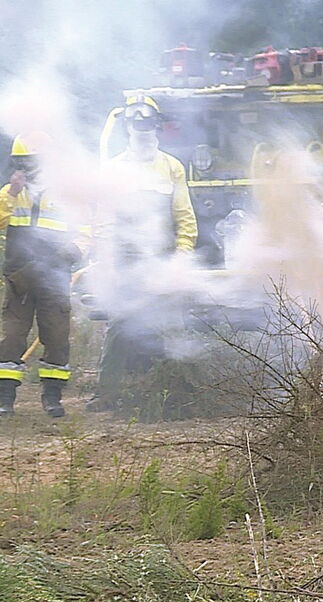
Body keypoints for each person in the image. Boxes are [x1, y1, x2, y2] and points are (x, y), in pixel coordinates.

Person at [91, 95, 198, 406]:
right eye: (136, 124)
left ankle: (181, 393)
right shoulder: (113, 169)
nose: (142, 130)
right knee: (121, 324)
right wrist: (107, 258)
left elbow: (184, 216)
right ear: (127, 128)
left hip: (163, 259)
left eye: (147, 124)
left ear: (157, 127)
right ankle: (107, 394)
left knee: (173, 325)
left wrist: (182, 254)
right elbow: (105, 218)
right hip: (126, 260)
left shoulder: (172, 167)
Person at [0, 131, 90, 417]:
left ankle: (52, 399)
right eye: (21, 163)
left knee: (57, 337)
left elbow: (88, 230)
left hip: (54, 278)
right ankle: (5, 401)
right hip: (20, 280)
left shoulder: (68, 193)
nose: (25, 169)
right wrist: (12, 194)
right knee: (11, 337)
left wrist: (73, 251)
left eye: (31, 162)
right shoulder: (10, 193)